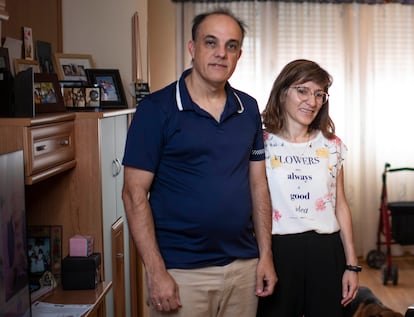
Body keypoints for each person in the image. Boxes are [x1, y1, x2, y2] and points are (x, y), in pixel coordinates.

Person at [122, 8, 276, 317]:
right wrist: (155, 271)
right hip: (181, 272)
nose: (221, 53)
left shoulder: (248, 108)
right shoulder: (156, 109)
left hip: (243, 268)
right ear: (192, 48)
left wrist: (265, 255)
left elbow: (258, 186)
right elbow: (133, 193)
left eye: (231, 46)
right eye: (211, 43)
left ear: (239, 54)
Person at [257, 59, 359, 317]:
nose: (311, 102)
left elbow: (341, 205)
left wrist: (352, 264)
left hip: (326, 251)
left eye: (318, 94)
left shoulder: (332, 145)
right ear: (282, 93)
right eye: (302, 90)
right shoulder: (261, 143)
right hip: (277, 251)